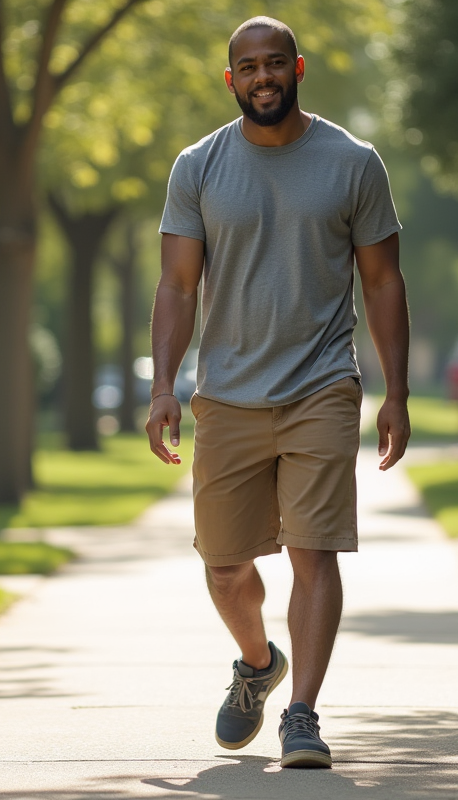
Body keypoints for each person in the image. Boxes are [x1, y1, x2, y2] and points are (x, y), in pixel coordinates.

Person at [144, 15, 411, 770]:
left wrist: (396, 392)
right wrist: (163, 386)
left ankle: (303, 714)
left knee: (313, 551)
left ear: (298, 68)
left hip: (322, 384)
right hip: (227, 392)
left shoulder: (353, 162)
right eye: (248, 66)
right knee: (224, 566)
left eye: (274, 63)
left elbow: (383, 281)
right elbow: (177, 285)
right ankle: (259, 664)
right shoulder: (197, 166)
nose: (262, 76)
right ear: (231, 79)